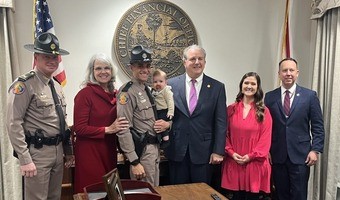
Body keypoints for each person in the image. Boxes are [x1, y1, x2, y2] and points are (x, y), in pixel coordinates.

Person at [6, 32, 74, 200]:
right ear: (36, 57)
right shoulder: (24, 85)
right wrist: (24, 158)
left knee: (54, 197)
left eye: (55, 57)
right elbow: (13, 123)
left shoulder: (56, 86)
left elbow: (61, 121)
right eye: (46, 56)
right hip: (38, 154)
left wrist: (68, 150)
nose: (52, 60)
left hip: (58, 152)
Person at [166, 44, 227, 185]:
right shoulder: (171, 85)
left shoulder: (217, 87)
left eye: (200, 59)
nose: (197, 62)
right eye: (193, 59)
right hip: (177, 150)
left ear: (205, 62)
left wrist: (218, 151)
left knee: (202, 194)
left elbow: (221, 121)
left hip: (204, 152)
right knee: (178, 194)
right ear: (184, 62)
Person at [264, 58, 325, 200]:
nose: (288, 73)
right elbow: (267, 127)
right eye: (284, 70)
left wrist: (315, 150)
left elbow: (318, 126)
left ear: (297, 73)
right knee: (280, 194)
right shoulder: (270, 97)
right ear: (279, 74)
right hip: (277, 155)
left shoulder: (309, 96)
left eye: (291, 70)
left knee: (299, 195)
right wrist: (266, 150)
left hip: (301, 156)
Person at [73, 53, 129, 193]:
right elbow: (79, 128)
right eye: (98, 68)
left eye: (106, 68)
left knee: (109, 192)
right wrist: (107, 129)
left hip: (109, 150)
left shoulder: (116, 94)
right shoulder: (85, 94)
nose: (103, 72)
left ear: (112, 70)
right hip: (90, 152)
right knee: (94, 191)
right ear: (92, 71)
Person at [116, 45, 169, 186]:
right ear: (131, 67)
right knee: (144, 194)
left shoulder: (147, 89)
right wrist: (134, 161)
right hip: (142, 153)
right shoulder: (127, 92)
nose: (145, 70)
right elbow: (123, 129)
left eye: (148, 66)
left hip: (154, 150)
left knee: (154, 192)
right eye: (140, 66)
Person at [221, 72, 272, 200]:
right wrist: (231, 153)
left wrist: (250, 156)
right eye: (246, 83)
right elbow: (223, 135)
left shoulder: (264, 111)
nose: (249, 86)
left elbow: (265, 140)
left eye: (253, 84)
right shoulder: (230, 109)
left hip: (255, 166)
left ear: (258, 87)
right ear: (241, 85)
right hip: (234, 163)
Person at [152, 69, 174, 149]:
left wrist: (171, 112)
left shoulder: (166, 91)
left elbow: (170, 101)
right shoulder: (154, 91)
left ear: (166, 82)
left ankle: (166, 140)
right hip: (157, 111)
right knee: (158, 125)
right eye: (155, 82)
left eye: (161, 81)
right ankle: (161, 139)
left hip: (164, 111)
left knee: (162, 125)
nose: (158, 84)